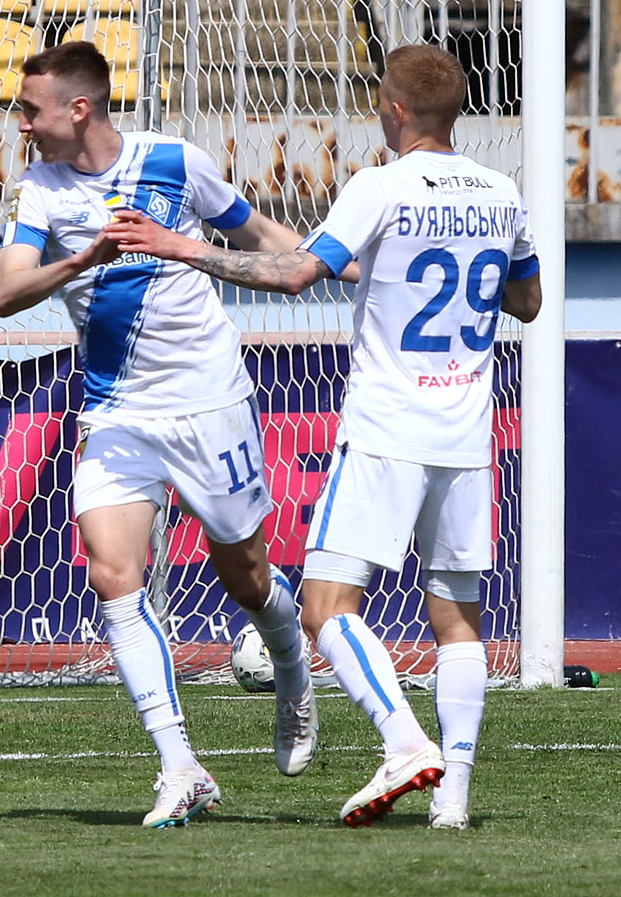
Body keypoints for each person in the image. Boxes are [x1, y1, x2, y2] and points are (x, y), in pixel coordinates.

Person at [106, 44, 541, 830]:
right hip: (467, 431)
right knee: (458, 621)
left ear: (395, 109)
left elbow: (295, 273)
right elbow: (528, 301)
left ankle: (402, 742)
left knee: (325, 608)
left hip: (386, 427)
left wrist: (182, 247)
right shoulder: (502, 192)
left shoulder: (381, 184)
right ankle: (452, 802)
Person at [0, 41, 320, 828]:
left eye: (31, 110)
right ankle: (181, 767)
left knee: (245, 577)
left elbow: (257, 232)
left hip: (208, 401)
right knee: (112, 575)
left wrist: (330, 264)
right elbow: (5, 293)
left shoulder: (174, 161)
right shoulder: (40, 188)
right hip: (116, 410)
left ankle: (289, 660)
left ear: (79, 109)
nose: (21, 123)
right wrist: (87, 257)